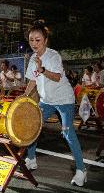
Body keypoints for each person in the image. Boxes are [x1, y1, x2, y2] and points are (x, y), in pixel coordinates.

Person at [23, 20, 86, 186]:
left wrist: (42, 69)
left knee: (67, 132)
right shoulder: (32, 59)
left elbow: (57, 77)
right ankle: (31, 159)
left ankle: (81, 170)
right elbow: (32, 81)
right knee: (33, 126)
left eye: (38, 40)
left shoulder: (53, 56)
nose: (34, 43)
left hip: (64, 99)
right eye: (31, 40)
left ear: (45, 40)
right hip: (46, 100)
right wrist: (24, 95)